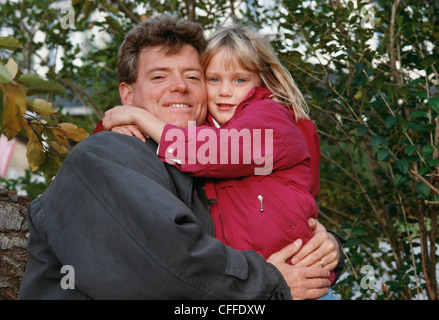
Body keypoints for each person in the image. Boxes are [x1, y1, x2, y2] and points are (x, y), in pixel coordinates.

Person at [19, 14, 344, 300]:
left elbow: (261, 209)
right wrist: (272, 284)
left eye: (194, 77)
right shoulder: (105, 155)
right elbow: (173, 263)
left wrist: (327, 246)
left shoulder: (206, 162)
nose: (180, 87)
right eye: (159, 76)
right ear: (127, 96)